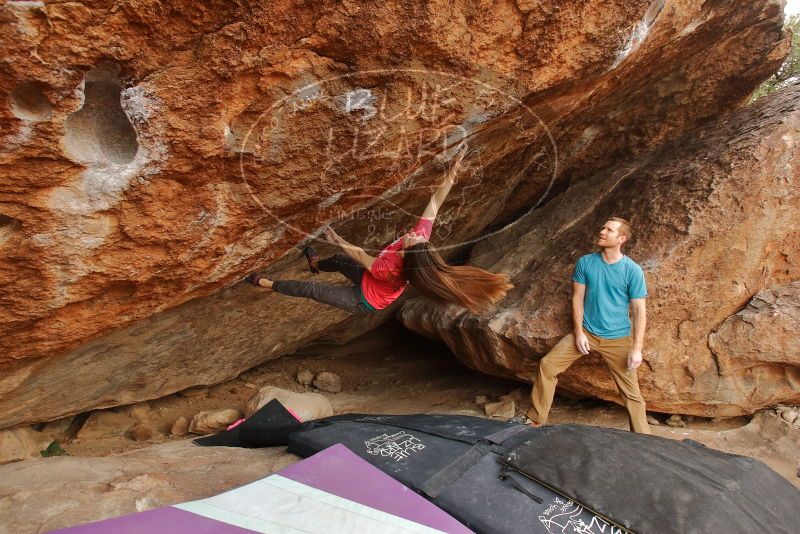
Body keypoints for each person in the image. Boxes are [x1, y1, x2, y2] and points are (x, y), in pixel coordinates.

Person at [245, 143, 512, 315]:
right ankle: (316, 264)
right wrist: (453, 172)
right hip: (369, 277)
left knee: (312, 290)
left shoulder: (391, 269)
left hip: (364, 298)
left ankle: (264, 283)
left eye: (410, 241)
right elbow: (435, 203)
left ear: (406, 256)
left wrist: (337, 238)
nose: (412, 234)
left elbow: (360, 255)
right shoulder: (420, 241)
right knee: (337, 261)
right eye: (417, 236)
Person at [527, 218, 651, 433]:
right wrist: (579, 333)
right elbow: (577, 299)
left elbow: (640, 312)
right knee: (547, 365)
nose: (602, 231)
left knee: (632, 394)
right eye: (603, 227)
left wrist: (637, 349)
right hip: (587, 333)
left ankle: (644, 438)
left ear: (621, 239)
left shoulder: (632, 270)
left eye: (609, 230)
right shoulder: (586, 263)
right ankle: (536, 419)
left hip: (618, 338)